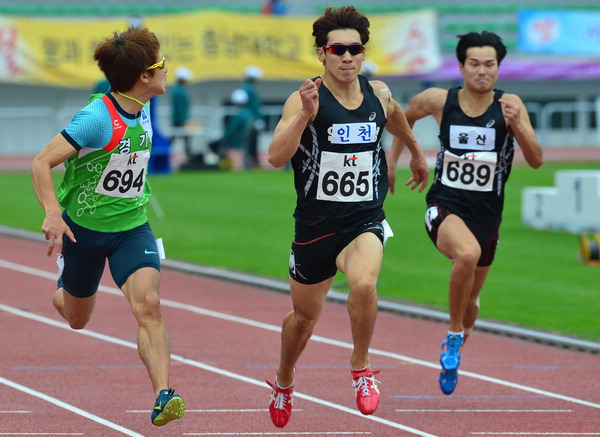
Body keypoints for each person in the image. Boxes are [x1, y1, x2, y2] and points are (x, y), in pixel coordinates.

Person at [265, 5, 429, 428]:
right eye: (337, 49)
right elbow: (275, 157)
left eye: (354, 49)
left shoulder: (378, 92)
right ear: (322, 53)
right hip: (315, 228)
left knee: (364, 284)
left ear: (363, 52)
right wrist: (303, 113)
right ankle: (284, 379)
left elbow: (394, 117)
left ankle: (360, 368)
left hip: (364, 220)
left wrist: (413, 151)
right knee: (304, 320)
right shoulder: (307, 98)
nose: (347, 57)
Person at [30, 27, 186, 427]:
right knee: (77, 317)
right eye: (161, 65)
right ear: (145, 77)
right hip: (83, 232)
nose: (167, 70)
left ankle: (164, 394)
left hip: (132, 228)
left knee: (148, 304)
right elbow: (40, 163)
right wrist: (51, 212)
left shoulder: (145, 105)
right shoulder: (97, 118)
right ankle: (63, 289)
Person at [388, 30, 543, 396]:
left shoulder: (511, 105)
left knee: (473, 299)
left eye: (490, 64)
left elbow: (536, 160)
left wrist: (517, 124)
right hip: (445, 205)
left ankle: (454, 345)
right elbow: (401, 118)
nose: (482, 71)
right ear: (461, 66)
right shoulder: (441, 101)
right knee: (467, 254)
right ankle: (454, 334)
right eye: (474, 63)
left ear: (499, 69)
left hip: (488, 216)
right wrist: (396, 159)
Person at [207, 88, 255, 169]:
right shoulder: (248, 113)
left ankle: (214, 164)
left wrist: (222, 137)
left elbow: (231, 131)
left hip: (234, 143)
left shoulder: (238, 115)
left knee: (213, 145)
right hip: (243, 142)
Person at [242, 65, 265, 169]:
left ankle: (252, 162)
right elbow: (254, 106)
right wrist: (257, 119)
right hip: (252, 119)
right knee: (252, 142)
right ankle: (253, 163)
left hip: (251, 119)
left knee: (252, 142)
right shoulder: (249, 89)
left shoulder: (247, 88)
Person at [171, 66, 193, 158]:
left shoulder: (178, 89)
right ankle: (188, 158)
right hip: (180, 119)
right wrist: (183, 120)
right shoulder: (179, 91)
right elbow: (181, 108)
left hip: (179, 119)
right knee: (182, 139)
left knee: (176, 139)